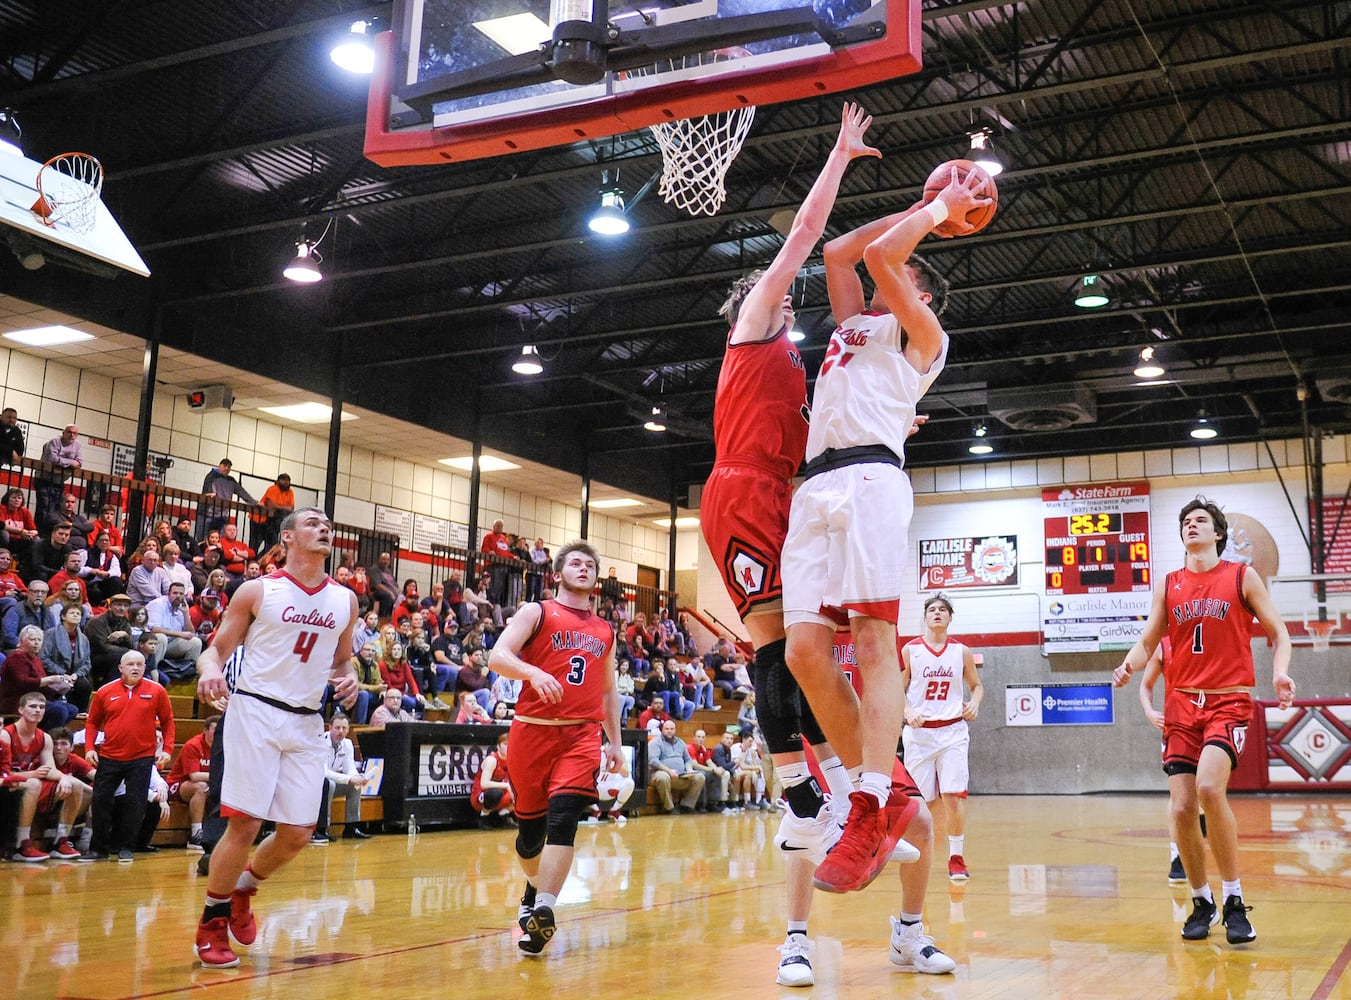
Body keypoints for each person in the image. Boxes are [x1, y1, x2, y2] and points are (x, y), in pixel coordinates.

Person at [779, 167, 984, 891]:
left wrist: (936, 213)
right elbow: (841, 253)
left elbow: (877, 258)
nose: (878, 287)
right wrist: (922, 205)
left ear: (918, 292)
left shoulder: (924, 333)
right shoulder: (853, 326)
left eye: (903, 275)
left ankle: (867, 798)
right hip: (816, 485)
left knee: (869, 638)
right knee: (803, 651)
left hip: (869, 478)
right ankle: (885, 786)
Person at [1112, 497, 1294, 945]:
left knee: (1210, 789)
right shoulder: (1169, 584)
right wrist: (1129, 666)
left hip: (1227, 701)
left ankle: (1234, 899)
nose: (1191, 526)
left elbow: (1279, 631)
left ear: (1217, 533)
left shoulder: (1240, 576)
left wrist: (1280, 671)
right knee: (1179, 808)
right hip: (1181, 706)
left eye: (1200, 521)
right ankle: (1202, 900)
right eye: (1186, 522)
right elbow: (1149, 637)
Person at [193, 506, 359, 969]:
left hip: (307, 721)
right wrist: (209, 674)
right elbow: (216, 651)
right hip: (256, 711)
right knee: (245, 824)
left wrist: (350, 679)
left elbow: (342, 661)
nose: (324, 528)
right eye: (312, 523)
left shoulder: (344, 600)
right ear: (287, 538)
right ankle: (211, 920)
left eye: (329, 524)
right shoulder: (258, 590)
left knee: (297, 833)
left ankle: (244, 888)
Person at [487, 539, 622, 956]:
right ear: (558, 572)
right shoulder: (537, 611)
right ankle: (533, 888)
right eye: (576, 563)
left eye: (590, 565)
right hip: (532, 730)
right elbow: (497, 656)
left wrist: (615, 741)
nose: (584, 569)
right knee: (530, 837)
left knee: (564, 817)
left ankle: (544, 909)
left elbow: (609, 690)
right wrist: (532, 673)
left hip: (582, 734)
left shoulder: (605, 630)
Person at [900, 593, 983, 882]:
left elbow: (977, 685)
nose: (937, 613)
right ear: (925, 617)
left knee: (952, 795)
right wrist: (907, 710)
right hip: (919, 734)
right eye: (932, 609)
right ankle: (914, 849)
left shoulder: (961, 651)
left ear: (950, 618)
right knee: (922, 801)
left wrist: (975, 702)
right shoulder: (910, 650)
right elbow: (897, 689)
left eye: (943, 610)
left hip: (953, 732)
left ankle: (956, 857)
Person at [82, 650, 175, 862]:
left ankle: (126, 847)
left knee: (136, 804)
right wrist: (89, 748)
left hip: (141, 758)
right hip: (110, 756)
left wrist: (168, 750)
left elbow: (168, 721)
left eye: (140, 664)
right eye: (131, 664)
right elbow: (92, 722)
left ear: (144, 667)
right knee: (100, 802)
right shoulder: (105, 691)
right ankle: (99, 849)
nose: (135, 667)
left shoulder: (157, 691)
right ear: (120, 668)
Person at [2, 692, 74, 860]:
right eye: (32, 706)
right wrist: (30, 774)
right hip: (7, 782)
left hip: (23, 781)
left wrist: (64, 777)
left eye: (41, 707)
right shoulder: (6, 735)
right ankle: (22, 844)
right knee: (34, 783)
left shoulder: (45, 737)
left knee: (74, 784)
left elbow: (50, 768)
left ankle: (61, 841)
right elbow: (2, 773)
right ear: (20, 710)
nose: (37, 710)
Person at [1, 624, 79, 728]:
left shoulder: (36, 659)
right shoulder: (16, 657)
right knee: (59, 710)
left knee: (72, 709)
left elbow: (42, 684)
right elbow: (22, 682)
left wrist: (59, 687)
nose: (36, 643)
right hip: (18, 701)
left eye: (39, 640)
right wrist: (50, 679)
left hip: (36, 699)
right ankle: (44, 736)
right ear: (21, 642)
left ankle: (44, 733)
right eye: (32, 639)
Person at [313, 714, 370, 843]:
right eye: (337, 727)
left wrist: (357, 777)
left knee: (355, 786)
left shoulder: (348, 744)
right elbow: (324, 773)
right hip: (316, 785)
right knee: (330, 784)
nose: (340, 731)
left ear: (348, 730)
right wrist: (349, 779)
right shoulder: (320, 742)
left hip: (332, 782)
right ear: (329, 727)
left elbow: (349, 768)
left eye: (344, 728)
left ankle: (351, 827)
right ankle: (322, 829)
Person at [167, 714, 218, 851]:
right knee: (201, 787)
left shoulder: (222, 747)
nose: (218, 733)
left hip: (206, 784)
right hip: (177, 785)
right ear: (205, 731)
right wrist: (219, 775)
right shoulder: (193, 745)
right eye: (214, 730)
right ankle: (196, 835)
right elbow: (194, 776)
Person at [41, 603, 94, 712]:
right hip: (54, 674)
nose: (75, 615)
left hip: (74, 676)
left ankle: (79, 715)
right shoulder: (51, 634)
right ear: (63, 617)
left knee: (84, 686)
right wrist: (61, 673)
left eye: (78, 614)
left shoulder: (84, 639)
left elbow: (87, 663)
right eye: (72, 613)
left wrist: (76, 675)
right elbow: (44, 658)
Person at [648, 718, 706, 814]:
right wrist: (669, 770)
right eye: (667, 729)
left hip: (680, 775)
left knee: (700, 777)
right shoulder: (655, 742)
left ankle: (686, 805)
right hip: (660, 774)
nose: (669, 731)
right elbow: (653, 761)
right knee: (663, 777)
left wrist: (689, 769)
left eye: (672, 729)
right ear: (662, 730)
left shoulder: (681, 742)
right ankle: (669, 808)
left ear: (675, 730)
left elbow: (687, 759)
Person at [36, 425, 82, 522]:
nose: (72, 435)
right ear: (63, 433)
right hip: (44, 479)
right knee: (44, 507)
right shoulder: (55, 441)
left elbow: (79, 462)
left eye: (75, 433)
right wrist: (70, 462)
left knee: (56, 509)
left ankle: (51, 532)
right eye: (69, 432)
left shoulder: (77, 445)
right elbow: (52, 459)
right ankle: (41, 532)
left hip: (59, 481)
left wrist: (62, 462)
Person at [200, 459, 256, 535]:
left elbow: (242, 493)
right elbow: (208, 488)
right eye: (225, 466)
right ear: (220, 466)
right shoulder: (211, 477)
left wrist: (255, 502)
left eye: (229, 467)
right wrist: (211, 492)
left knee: (220, 541)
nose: (226, 468)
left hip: (222, 515)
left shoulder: (231, 480)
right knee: (205, 539)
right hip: (208, 513)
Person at [470, 729, 514, 828]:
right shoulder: (492, 760)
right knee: (495, 793)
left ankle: (504, 814)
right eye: (505, 744)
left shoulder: (512, 760)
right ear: (498, 746)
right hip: (481, 796)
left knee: (523, 792)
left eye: (510, 744)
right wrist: (507, 785)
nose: (508, 747)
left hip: (502, 795)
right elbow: (484, 784)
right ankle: (483, 817)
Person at [251, 473, 295, 552]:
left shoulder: (290, 492)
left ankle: (260, 561)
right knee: (255, 545)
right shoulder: (273, 488)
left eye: (287, 481)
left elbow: (291, 508)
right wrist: (284, 507)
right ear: (278, 481)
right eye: (283, 480)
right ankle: (252, 562)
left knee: (271, 547)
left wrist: (278, 507)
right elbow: (270, 505)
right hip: (259, 519)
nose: (286, 482)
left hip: (272, 522)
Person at [366, 551, 400, 619]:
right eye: (384, 559)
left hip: (390, 593)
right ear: (379, 559)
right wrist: (390, 592)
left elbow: (395, 585)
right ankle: (383, 618)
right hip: (377, 592)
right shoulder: (374, 569)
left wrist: (399, 592)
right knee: (386, 596)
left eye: (388, 560)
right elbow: (378, 585)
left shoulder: (388, 571)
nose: (386, 561)